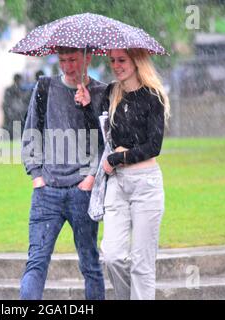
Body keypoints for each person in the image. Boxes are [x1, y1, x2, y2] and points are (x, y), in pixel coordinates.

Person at [76, 48, 170, 300]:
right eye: (113, 61)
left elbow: (154, 147)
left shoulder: (154, 97)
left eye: (122, 60)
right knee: (113, 255)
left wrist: (117, 158)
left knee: (142, 263)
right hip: (117, 183)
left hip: (145, 184)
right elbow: (101, 135)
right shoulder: (111, 93)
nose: (116, 65)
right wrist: (86, 107)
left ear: (136, 61)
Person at [20, 47, 106, 300]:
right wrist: (37, 175)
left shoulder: (102, 92)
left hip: (83, 192)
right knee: (36, 263)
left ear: (88, 58)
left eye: (73, 60)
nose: (67, 66)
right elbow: (31, 132)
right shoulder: (45, 87)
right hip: (47, 193)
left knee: (90, 265)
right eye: (63, 60)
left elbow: (107, 142)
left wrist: (91, 178)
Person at [2, 74, 28, 139]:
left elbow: (6, 104)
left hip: (12, 118)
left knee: (11, 137)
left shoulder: (9, 90)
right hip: (19, 117)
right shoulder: (23, 91)